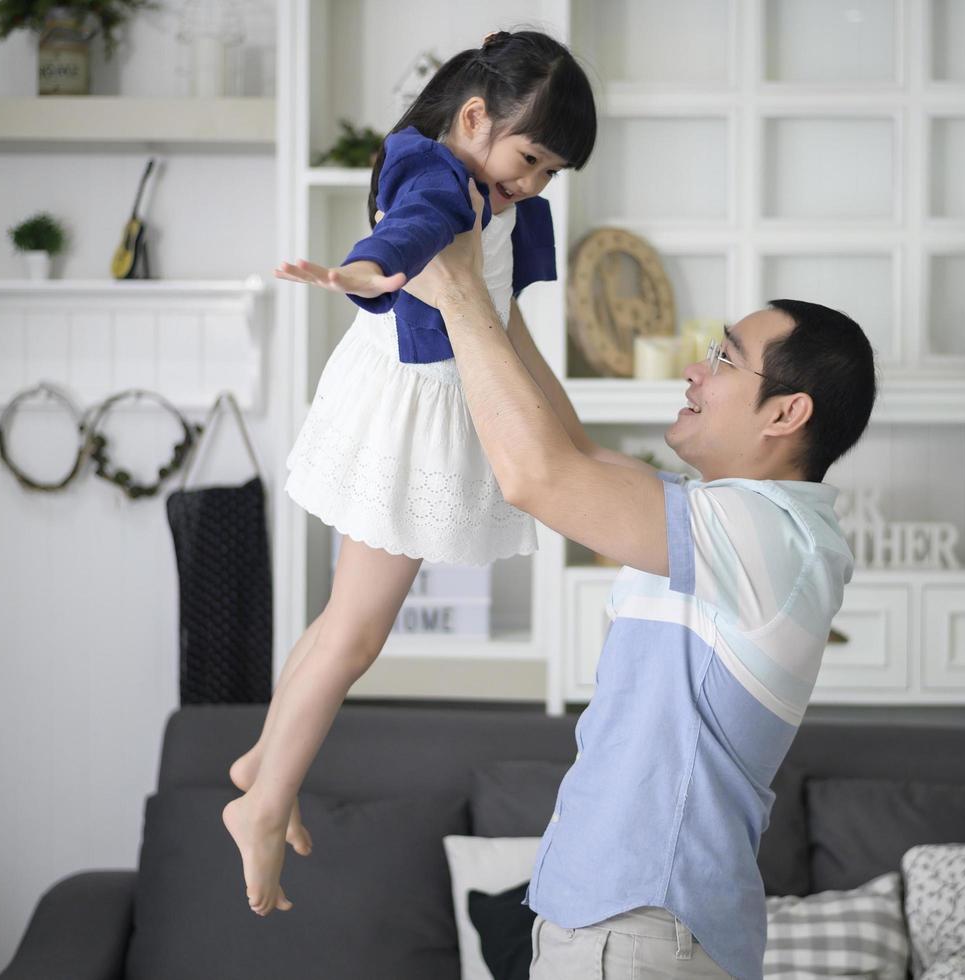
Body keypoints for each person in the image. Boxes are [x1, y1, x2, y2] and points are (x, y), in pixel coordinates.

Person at [283, 181, 877, 979]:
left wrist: (458, 294)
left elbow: (539, 476)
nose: (697, 373)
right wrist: (491, 281)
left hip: (640, 930)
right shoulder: (720, 517)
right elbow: (571, 447)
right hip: (609, 922)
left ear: (785, 414)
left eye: (724, 358)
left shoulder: (776, 535)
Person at [229, 30, 596, 916]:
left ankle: (262, 759)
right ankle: (265, 802)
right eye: (530, 157)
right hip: (407, 413)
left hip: (420, 406)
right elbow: (400, 241)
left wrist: (572, 438)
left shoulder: (503, 201)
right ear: (474, 117)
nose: (535, 183)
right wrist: (351, 273)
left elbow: (508, 334)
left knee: (341, 620)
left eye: (551, 172)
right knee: (357, 634)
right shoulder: (437, 177)